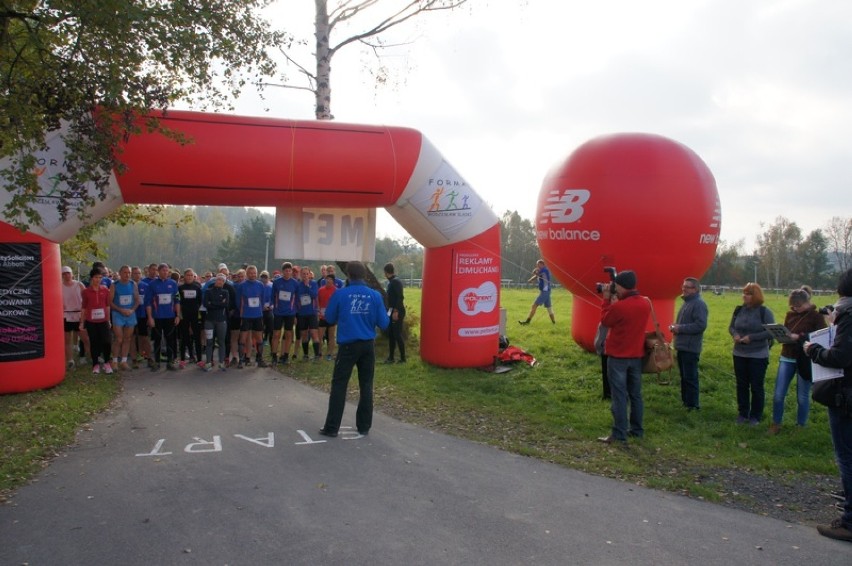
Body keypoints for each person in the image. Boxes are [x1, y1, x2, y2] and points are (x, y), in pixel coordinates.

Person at [804, 268, 852, 543]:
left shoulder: (848, 315)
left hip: (845, 396)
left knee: (847, 456)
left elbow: (841, 356)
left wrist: (815, 351)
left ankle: (849, 521)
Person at [319, 261, 390, 437]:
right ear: (365, 275)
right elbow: (383, 323)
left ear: (348, 275)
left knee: (339, 385)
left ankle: (332, 427)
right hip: (367, 345)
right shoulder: (374, 296)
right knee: (366, 385)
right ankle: (364, 426)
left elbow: (328, 317)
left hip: (348, 345)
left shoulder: (340, 294)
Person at [597, 270, 650, 443]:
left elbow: (605, 320)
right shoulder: (644, 303)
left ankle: (619, 433)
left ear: (621, 286)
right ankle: (637, 429)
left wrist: (606, 299)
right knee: (635, 395)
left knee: (619, 396)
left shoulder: (620, 306)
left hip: (618, 356)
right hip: (636, 356)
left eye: (616, 286)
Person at [770, 288, 827, 434]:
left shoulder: (816, 316)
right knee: (778, 394)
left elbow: (822, 336)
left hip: (805, 359)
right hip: (787, 356)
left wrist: (800, 337)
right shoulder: (790, 314)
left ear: (807, 302)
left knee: (802, 396)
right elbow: (788, 330)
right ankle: (776, 423)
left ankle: (800, 425)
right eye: (793, 306)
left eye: (799, 306)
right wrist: (783, 335)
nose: (796, 309)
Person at [730, 282, 775, 425]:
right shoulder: (738, 310)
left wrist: (752, 338)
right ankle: (743, 413)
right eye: (744, 293)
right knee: (741, 385)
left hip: (758, 354)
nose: (744, 296)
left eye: (748, 293)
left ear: (755, 296)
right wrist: (735, 334)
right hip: (739, 353)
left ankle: (756, 416)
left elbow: (770, 331)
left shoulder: (764, 311)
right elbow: (731, 327)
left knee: (756, 386)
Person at [671, 277, 708, 411]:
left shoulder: (698, 304)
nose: (683, 289)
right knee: (684, 377)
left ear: (695, 289)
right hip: (682, 346)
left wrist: (680, 328)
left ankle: (693, 405)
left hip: (690, 347)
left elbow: (701, 325)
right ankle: (686, 402)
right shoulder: (687, 303)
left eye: (687, 287)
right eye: (683, 286)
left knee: (690, 377)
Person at [145, 262, 181, 371]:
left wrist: (178, 315)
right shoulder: (152, 284)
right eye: (163, 270)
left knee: (170, 339)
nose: (165, 272)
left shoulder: (173, 283)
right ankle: (157, 362)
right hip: (157, 316)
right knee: (157, 340)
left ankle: (170, 362)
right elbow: (148, 303)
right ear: (158, 271)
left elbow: (177, 300)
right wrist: (150, 317)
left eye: (167, 271)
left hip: (170, 316)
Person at [80, 268, 113, 374]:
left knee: (107, 342)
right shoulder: (86, 292)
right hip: (91, 321)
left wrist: (108, 320)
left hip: (103, 320)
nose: (98, 279)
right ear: (91, 278)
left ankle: (107, 363)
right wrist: (82, 322)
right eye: (96, 277)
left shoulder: (105, 290)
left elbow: (107, 306)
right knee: (94, 343)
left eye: (100, 277)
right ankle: (95, 364)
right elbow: (84, 308)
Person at [109, 265, 140, 371]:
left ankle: (124, 361)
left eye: (129, 273)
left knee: (127, 338)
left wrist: (132, 310)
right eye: (125, 272)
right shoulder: (114, 285)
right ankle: (114, 361)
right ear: (120, 273)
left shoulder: (133, 284)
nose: (127, 275)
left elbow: (137, 300)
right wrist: (120, 310)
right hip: (118, 314)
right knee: (119, 338)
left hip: (130, 314)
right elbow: (110, 302)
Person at [237, 265, 267, 368]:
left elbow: (262, 300)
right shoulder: (242, 285)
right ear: (247, 274)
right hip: (246, 315)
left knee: (259, 338)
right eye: (250, 273)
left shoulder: (260, 285)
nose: (253, 275)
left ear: (257, 273)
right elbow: (238, 301)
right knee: (243, 338)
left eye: (254, 273)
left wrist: (260, 310)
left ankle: (260, 359)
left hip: (257, 315)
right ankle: (241, 360)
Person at [271, 262, 299, 365]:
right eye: (286, 271)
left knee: (288, 334)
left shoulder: (295, 283)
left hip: (290, 312)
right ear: (283, 271)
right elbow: (273, 296)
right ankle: (274, 355)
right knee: (276, 334)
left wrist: (295, 312)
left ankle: (286, 356)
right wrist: (273, 307)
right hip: (278, 312)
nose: (288, 272)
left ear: (291, 271)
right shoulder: (277, 282)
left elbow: (296, 299)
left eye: (289, 271)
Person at [61, 265, 89, 369]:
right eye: (64, 273)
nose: (66, 275)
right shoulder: (59, 286)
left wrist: (85, 313)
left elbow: (86, 299)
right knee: (67, 340)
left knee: (85, 338)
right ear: (62, 275)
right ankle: (70, 360)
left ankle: (90, 357)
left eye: (68, 273)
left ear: (72, 274)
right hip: (66, 315)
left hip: (79, 315)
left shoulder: (79, 284)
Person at [203, 273, 230, 371]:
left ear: (224, 282)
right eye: (218, 280)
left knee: (221, 342)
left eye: (222, 280)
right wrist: (219, 303)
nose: (220, 282)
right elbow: (206, 304)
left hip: (221, 320)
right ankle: (208, 362)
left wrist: (213, 303)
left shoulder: (226, 292)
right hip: (209, 320)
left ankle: (221, 362)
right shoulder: (208, 291)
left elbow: (225, 304)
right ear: (215, 280)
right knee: (209, 342)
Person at [178, 269, 203, 366]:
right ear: (184, 277)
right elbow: (177, 301)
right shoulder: (180, 288)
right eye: (187, 275)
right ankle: (183, 359)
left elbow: (200, 301)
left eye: (191, 275)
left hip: (195, 315)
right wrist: (179, 314)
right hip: (184, 315)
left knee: (197, 337)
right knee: (184, 337)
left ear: (194, 277)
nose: (189, 277)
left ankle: (199, 359)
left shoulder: (197, 288)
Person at [519, 259, 555, 325]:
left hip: (545, 292)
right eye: (537, 265)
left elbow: (536, 273)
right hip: (546, 291)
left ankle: (527, 322)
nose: (537, 266)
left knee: (534, 305)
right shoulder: (542, 270)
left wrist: (535, 271)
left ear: (542, 264)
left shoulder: (545, 270)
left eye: (539, 265)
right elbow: (536, 275)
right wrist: (531, 279)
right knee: (549, 308)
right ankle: (554, 323)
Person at [383, 262, 407, 364]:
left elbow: (400, 297)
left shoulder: (395, 282)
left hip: (397, 311)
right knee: (391, 334)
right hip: (391, 310)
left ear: (386, 272)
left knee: (397, 334)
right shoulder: (391, 282)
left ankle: (403, 358)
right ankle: (391, 357)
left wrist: (396, 311)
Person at [296, 266, 321, 361]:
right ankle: (305, 355)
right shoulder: (298, 285)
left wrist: (307, 286)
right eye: (303, 274)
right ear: (301, 275)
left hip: (312, 312)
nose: (305, 276)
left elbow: (314, 295)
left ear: (309, 274)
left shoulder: (313, 283)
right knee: (304, 334)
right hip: (302, 313)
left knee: (314, 333)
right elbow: (297, 297)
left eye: (307, 274)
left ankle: (317, 355)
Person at [317, 273, 338, 361]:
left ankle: (329, 353)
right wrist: (318, 311)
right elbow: (317, 301)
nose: (328, 281)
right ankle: (318, 353)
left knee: (331, 336)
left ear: (333, 281)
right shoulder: (321, 290)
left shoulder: (336, 291)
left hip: (332, 317)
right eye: (327, 279)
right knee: (319, 336)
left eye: (330, 279)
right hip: (322, 316)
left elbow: (338, 304)